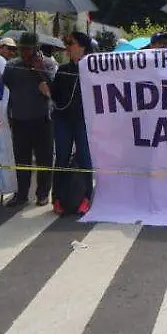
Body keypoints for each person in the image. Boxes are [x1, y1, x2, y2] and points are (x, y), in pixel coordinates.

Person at [2, 32, 56, 207]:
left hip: (42, 119)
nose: (24, 52)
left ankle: (42, 193)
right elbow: (4, 85)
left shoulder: (47, 64)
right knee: (21, 159)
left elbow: (53, 88)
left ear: (36, 49)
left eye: (28, 49)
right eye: (21, 49)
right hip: (19, 119)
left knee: (44, 159)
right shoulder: (12, 66)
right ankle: (21, 194)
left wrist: (39, 70)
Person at [52, 31, 94, 215]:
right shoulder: (62, 69)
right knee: (61, 158)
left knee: (85, 158)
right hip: (63, 120)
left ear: (82, 47)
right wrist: (47, 89)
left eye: (71, 43)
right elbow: (55, 95)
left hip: (83, 121)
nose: (67, 47)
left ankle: (86, 198)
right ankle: (57, 198)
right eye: (66, 43)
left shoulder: (93, 68)